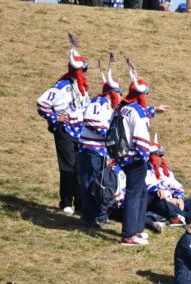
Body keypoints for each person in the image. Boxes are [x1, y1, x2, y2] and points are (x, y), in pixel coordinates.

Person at [37, 44, 90, 215]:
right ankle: (66, 202)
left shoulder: (82, 87)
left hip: (81, 131)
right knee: (67, 166)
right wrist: (55, 117)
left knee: (80, 168)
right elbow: (42, 103)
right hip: (65, 130)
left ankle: (81, 204)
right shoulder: (60, 86)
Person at [78, 63, 122, 227]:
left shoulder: (109, 107)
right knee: (89, 182)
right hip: (90, 149)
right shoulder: (98, 103)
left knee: (101, 181)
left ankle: (100, 214)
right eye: (119, 93)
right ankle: (89, 217)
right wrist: (108, 134)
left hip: (101, 151)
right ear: (112, 93)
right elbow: (90, 120)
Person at [118, 64, 151, 245]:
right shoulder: (137, 111)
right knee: (133, 194)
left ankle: (137, 230)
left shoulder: (122, 107)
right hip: (135, 158)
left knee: (141, 193)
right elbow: (140, 137)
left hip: (123, 155)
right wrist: (145, 155)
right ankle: (129, 235)